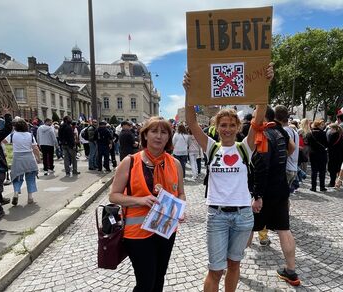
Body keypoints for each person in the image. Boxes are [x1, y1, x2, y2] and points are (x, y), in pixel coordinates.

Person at [184, 62, 273, 292]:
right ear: (217, 126)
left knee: (234, 264)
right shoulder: (211, 147)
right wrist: (189, 94)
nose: (227, 129)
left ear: (238, 127)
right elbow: (192, 123)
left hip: (243, 216)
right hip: (218, 216)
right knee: (216, 269)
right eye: (223, 125)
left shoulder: (245, 148)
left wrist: (264, 87)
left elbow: (259, 117)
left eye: (231, 125)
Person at [108, 116, 186, 292]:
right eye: (154, 131)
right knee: (145, 283)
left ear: (169, 137)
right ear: (145, 135)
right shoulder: (130, 162)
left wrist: (181, 208)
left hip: (166, 229)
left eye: (164, 132)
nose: (159, 136)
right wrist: (139, 200)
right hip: (137, 233)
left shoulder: (175, 164)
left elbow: (180, 192)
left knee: (159, 278)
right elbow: (113, 196)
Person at [250, 105, 300, 286]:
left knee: (248, 229)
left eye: (255, 115)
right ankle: (291, 271)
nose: (252, 119)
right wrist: (281, 161)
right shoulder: (281, 131)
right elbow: (292, 148)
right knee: (284, 229)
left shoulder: (263, 133)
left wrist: (257, 195)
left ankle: (233, 267)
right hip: (281, 188)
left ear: (263, 117)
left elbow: (262, 167)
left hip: (265, 191)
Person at [8, 118, 41, 205]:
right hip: (29, 157)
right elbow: (35, 148)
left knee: (17, 177)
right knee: (30, 178)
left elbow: (4, 141)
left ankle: (16, 193)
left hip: (17, 157)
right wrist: (38, 158)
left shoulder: (13, 135)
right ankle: (30, 197)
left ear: (15, 127)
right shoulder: (30, 135)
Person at [307, 120, 328, 192]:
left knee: (314, 171)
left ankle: (313, 187)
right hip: (322, 153)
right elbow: (327, 144)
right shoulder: (324, 133)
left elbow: (308, 143)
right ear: (318, 125)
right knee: (322, 171)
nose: (323, 126)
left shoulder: (310, 133)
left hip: (313, 154)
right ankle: (322, 187)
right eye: (322, 125)